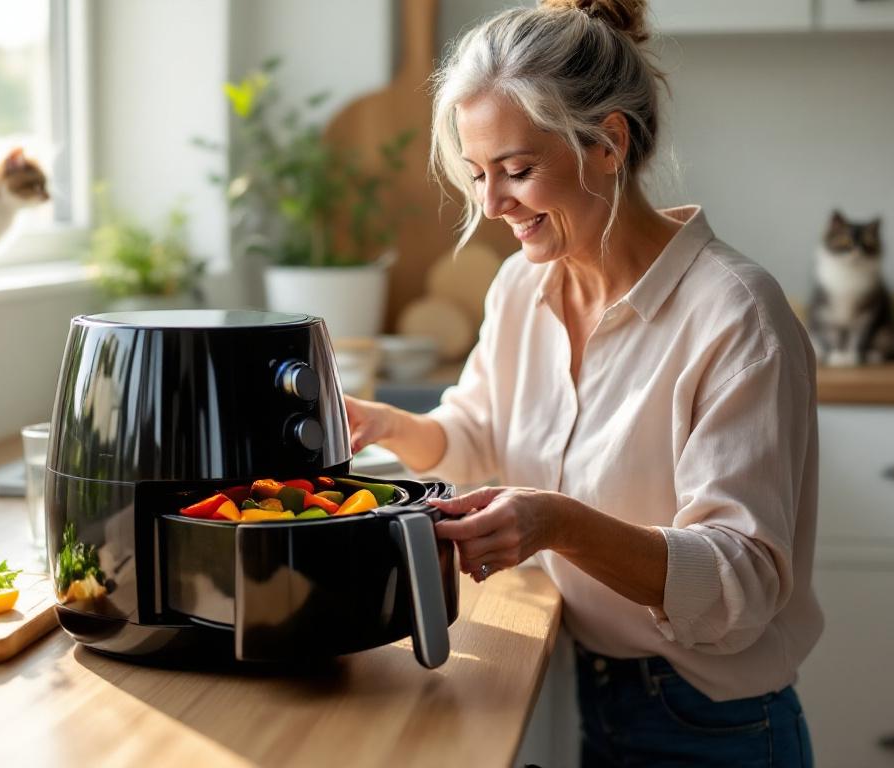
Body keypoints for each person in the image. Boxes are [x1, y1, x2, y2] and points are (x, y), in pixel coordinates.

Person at [345, 1, 821, 764]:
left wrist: (558, 524)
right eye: (477, 176)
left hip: (714, 721)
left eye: (517, 172)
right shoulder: (520, 288)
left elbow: (742, 582)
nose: (492, 205)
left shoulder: (736, 316)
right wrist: (380, 422)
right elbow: (477, 435)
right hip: (585, 682)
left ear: (607, 142)